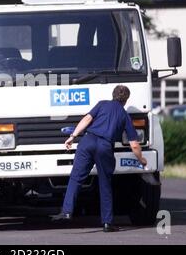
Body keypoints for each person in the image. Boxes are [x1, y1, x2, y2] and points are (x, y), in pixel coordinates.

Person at [52, 85, 147, 232]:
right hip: (105, 147)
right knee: (105, 183)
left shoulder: (102, 104)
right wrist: (141, 160)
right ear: (126, 99)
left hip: (87, 141)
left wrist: (72, 136)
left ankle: (67, 211)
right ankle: (107, 223)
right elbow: (134, 145)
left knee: (76, 177)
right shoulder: (124, 115)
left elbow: (87, 119)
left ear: (113, 95)